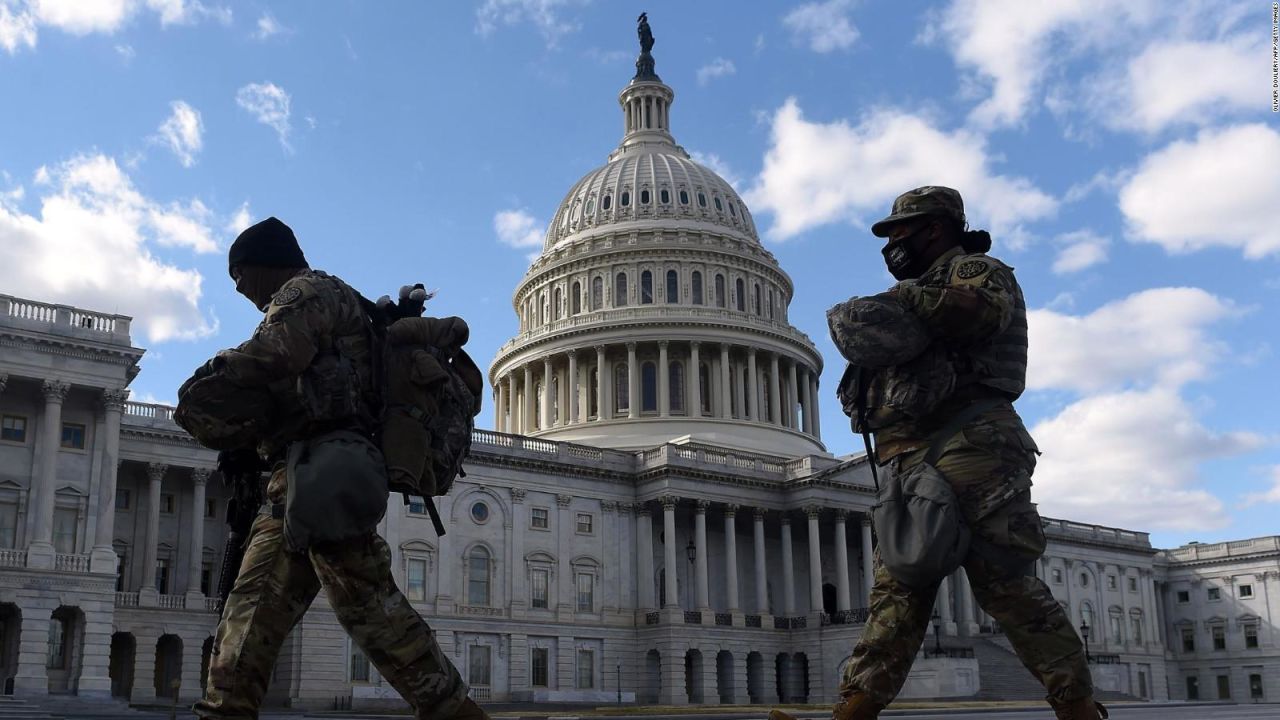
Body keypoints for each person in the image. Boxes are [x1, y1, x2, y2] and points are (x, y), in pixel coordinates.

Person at [772, 187, 1106, 720]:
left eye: (900, 231)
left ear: (936, 228)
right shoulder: (923, 291)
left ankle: (1077, 706)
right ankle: (854, 711)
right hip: (916, 454)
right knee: (903, 582)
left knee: (999, 584)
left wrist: (899, 301)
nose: (893, 243)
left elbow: (979, 316)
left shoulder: (977, 272)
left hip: (973, 442)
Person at [185, 217, 487, 720]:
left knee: (371, 611)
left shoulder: (304, 292)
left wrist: (204, 387)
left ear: (262, 265)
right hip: (305, 478)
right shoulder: (333, 296)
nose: (237, 288)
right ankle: (223, 710)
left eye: (238, 275)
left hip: (325, 476)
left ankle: (454, 710)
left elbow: (275, 356)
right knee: (252, 609)